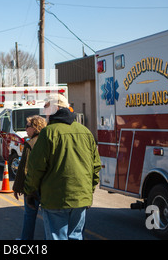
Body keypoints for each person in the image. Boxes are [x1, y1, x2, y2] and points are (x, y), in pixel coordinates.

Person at [24, 94, 102, 240]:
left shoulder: (48, 133)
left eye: (47, 107)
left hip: (55, 198)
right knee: (76, 236)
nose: (45, 112)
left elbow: (35, 168)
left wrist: (30, 191)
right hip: (80, 197)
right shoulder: (85, 132)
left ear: (56, 108)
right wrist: (88, 191)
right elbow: (95, 166)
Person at [12, 115, 47, 240]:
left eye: (27, 126)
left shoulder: (30, 143)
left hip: (33, 188)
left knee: (30, 215)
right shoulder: (49, 141)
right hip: (48, 186)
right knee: (49, 217)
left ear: (35, 127)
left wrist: (18, 188)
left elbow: (24, 168)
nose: (26, 129)